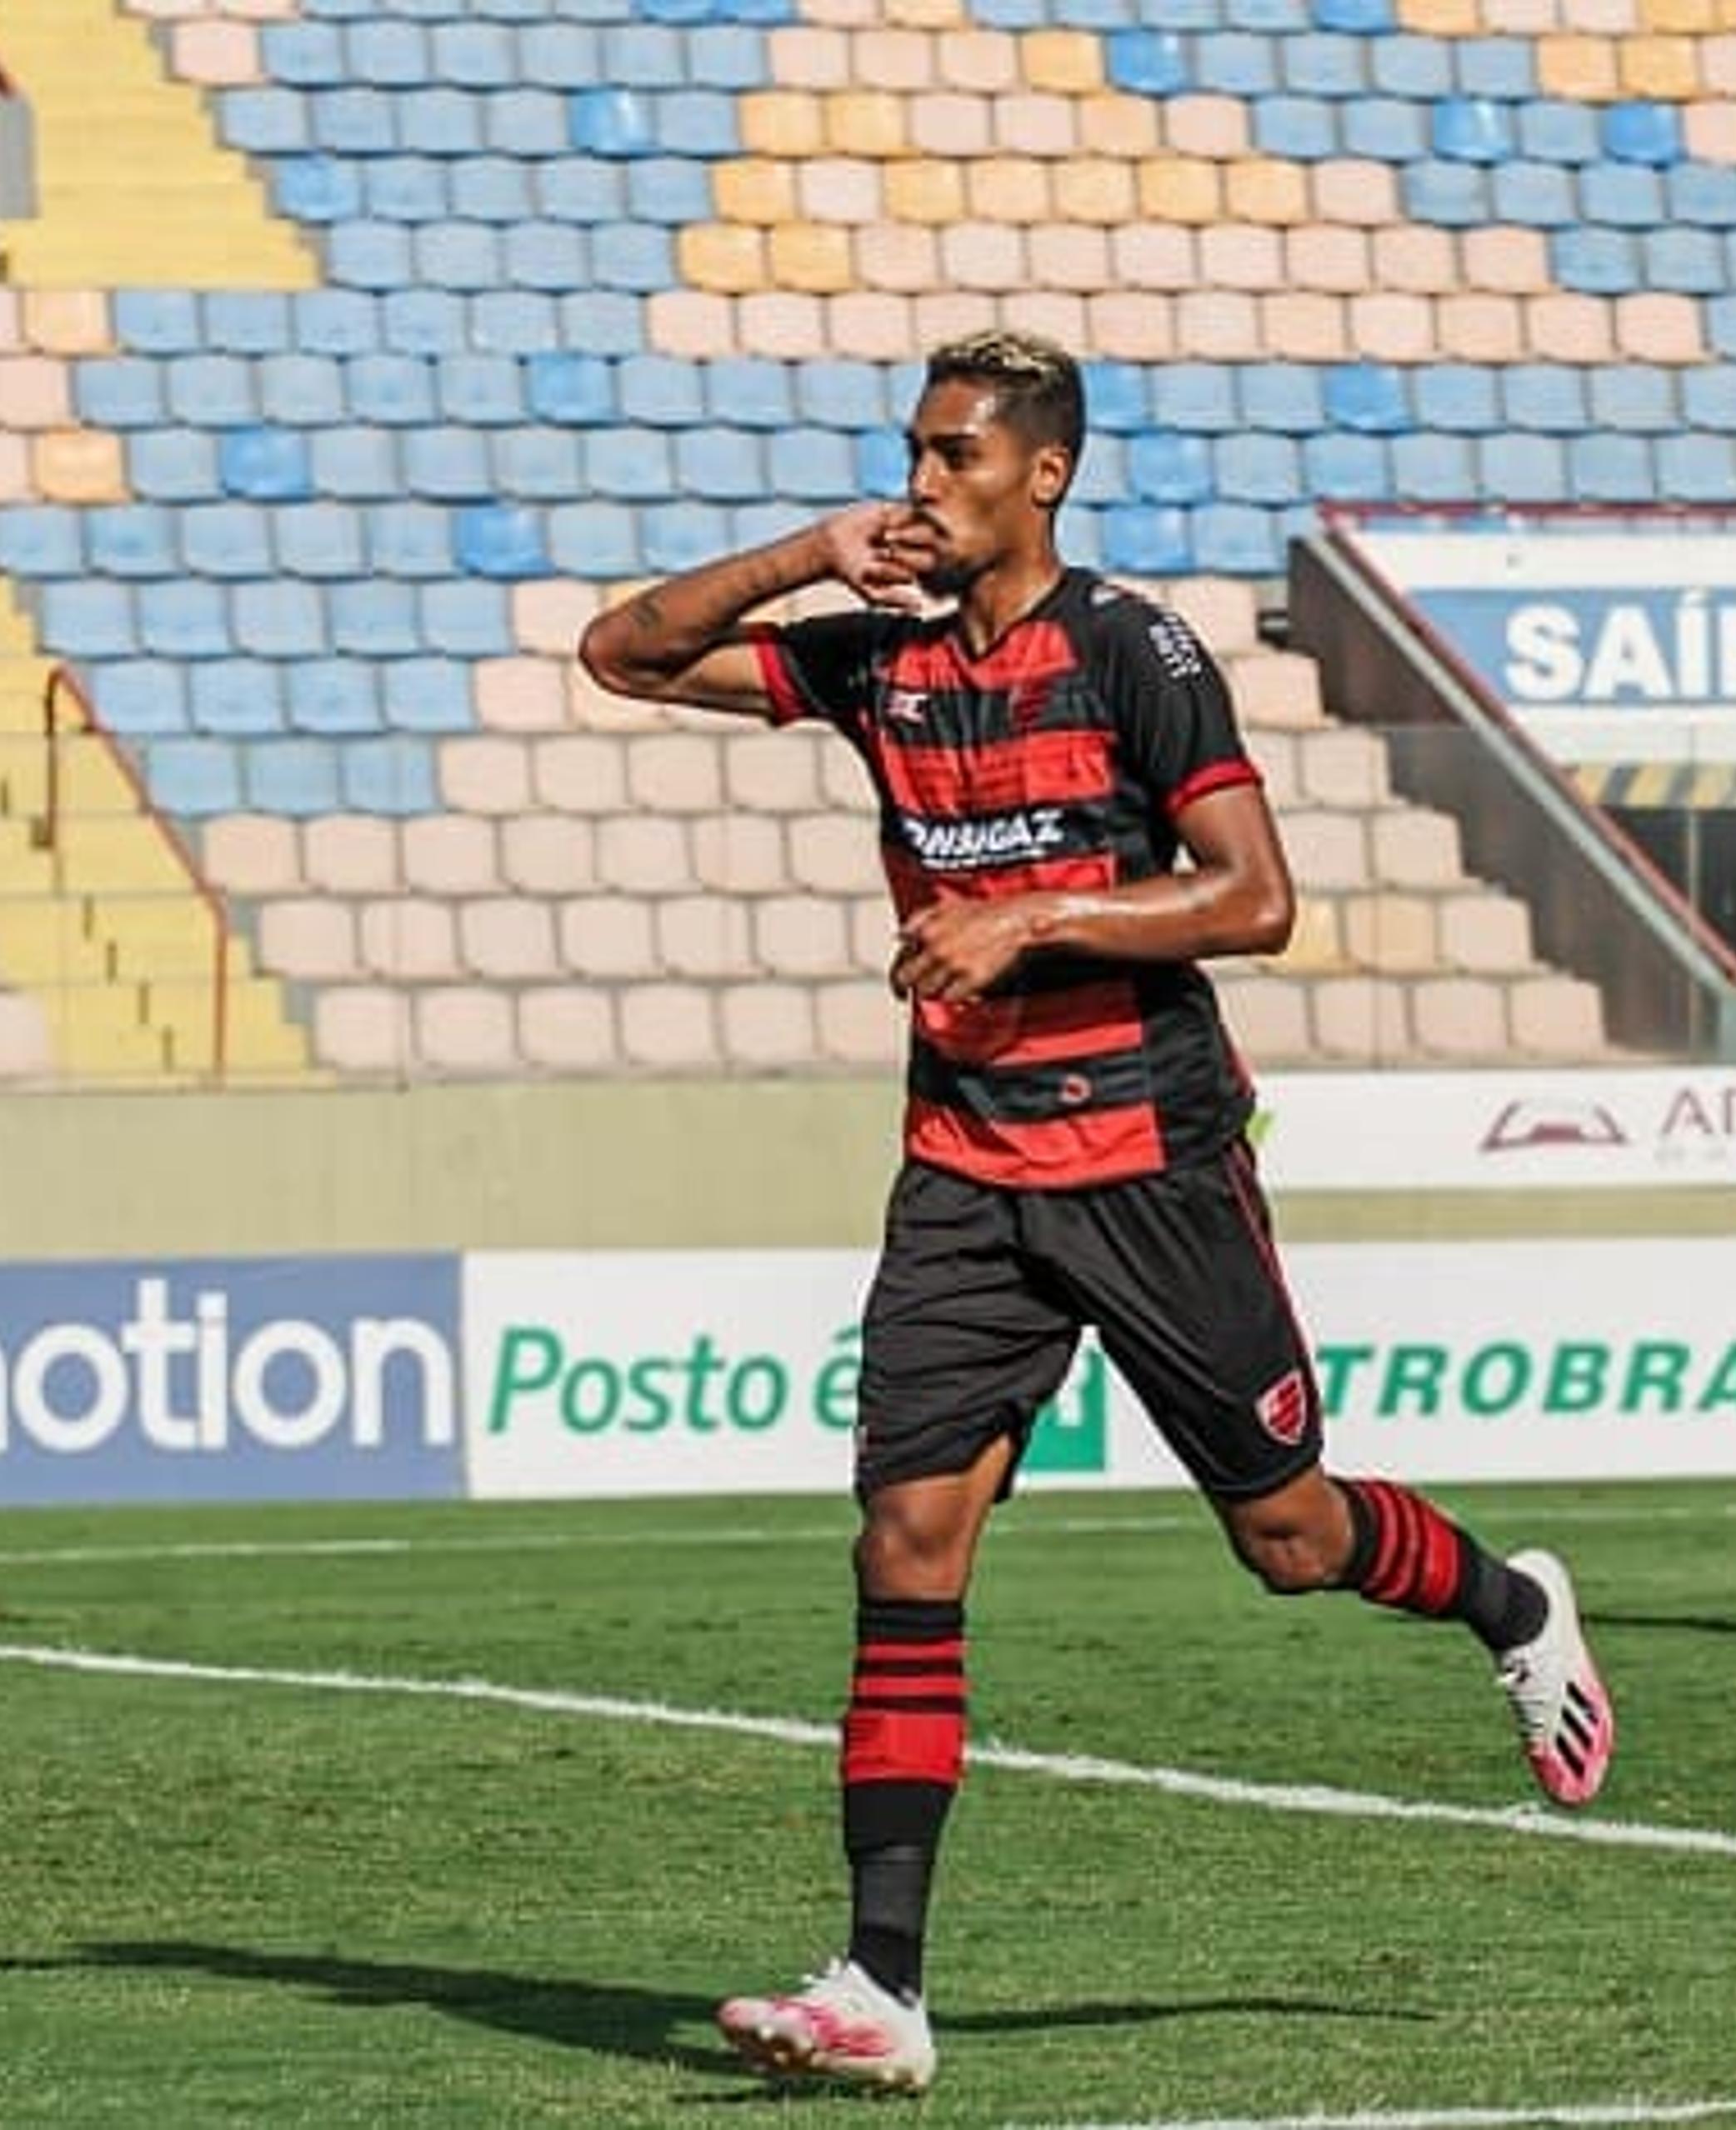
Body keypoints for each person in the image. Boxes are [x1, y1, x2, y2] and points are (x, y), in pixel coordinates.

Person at [576, 328, 1614, 2096]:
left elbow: (1255, 899)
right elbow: (622, 656)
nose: (925, 483)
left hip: (1149, 1162)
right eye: (912, 453)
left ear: (1042, 475)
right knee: (907, 1540)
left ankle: (1510, 1606)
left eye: (956, 458)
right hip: (968, 1171)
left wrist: (1031, 921)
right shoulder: (879, 659)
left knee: (1289, 1541)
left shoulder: (1139, 653)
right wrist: (804, 554)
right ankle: (880, 1986)